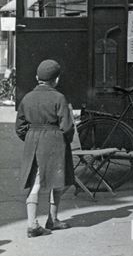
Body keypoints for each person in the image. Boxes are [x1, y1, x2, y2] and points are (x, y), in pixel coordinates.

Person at [15, 59, 74, 238]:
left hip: (33, 141)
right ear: (56, 80)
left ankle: (36, 221)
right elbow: (67, 127)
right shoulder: (59, 98)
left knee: (36, 181)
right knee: (58, 179)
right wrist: (64, 140)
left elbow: (19, 127)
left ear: (36, 77)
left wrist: (32, 137)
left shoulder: (27, 98)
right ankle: (46, 221)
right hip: (55, 141)